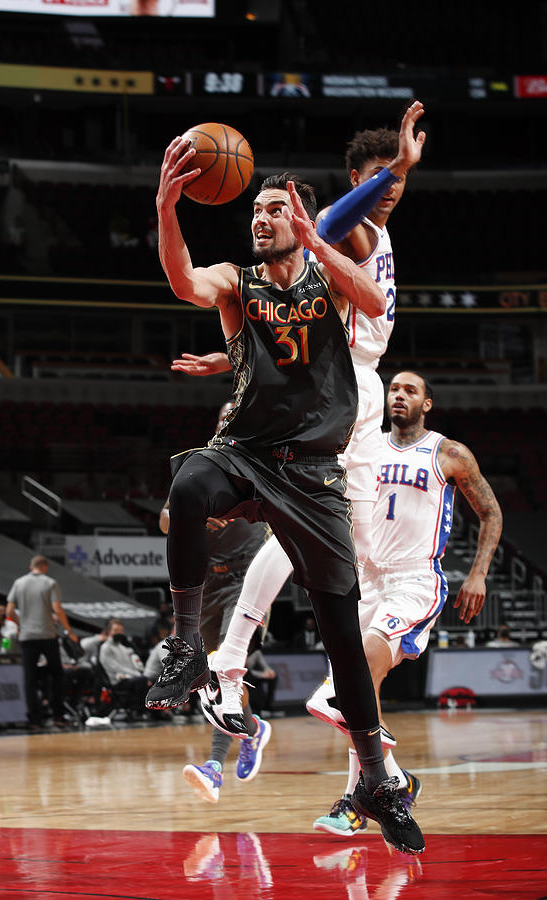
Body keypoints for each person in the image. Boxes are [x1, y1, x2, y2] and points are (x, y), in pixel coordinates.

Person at [144, 128, 424, 854]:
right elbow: (183, 282)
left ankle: (375, 778)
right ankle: (187, 648)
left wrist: (319, 241)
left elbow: (371, 299)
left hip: (315, 470)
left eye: (274, 210)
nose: (261, 218)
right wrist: (167, 208)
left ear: (297, 218)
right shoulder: (239, 281)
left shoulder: (329, 276)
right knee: (191, 483)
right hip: (247, 453)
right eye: (256, 211)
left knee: (342, 635)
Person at [310, 371, 503, 836]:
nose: (399, 395)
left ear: (427, 404)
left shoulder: (448, 453)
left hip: (416, 580)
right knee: (332, 699)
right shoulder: (366, 447)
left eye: (409, 390)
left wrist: (477, 573)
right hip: (367, 581)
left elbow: (491, 511)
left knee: (364, 671)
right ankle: (392, 779)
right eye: (394, 389)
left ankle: (357, 800)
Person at [162, 401, 273, 802]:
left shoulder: (265, 463)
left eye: (236, 413)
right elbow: (164, 517)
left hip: (248, 581)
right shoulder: (203, 464)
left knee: (227, 672)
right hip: (208, 584)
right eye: (223, 414)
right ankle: (253, 730)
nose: (229, 418)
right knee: (211, 676)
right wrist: (188, 517)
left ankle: (213, 767)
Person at [6, 555, 78, 730]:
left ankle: (34, 720)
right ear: (45, 567)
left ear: (31, 567)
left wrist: (21, 624)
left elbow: (9, 611)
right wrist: (69, 630)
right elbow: (57, 609)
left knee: (29, 679)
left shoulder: (19, 582)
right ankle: (58, 716)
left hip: (27, 636)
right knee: (58, 675)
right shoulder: (50, 583)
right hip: (47, 635)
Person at [99, 619, 149, 717]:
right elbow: (115, 668)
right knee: (141, 680)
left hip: (129, 677)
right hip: (117, 680)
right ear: (109, 632)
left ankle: (154, 711)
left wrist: (139, 673)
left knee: (150, 678)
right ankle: (137, 711)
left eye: (121, 631)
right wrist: (136, 675)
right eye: (116, 631)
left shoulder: (123, 647)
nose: (119, 633)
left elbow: (133, 665)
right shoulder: (106, 648)